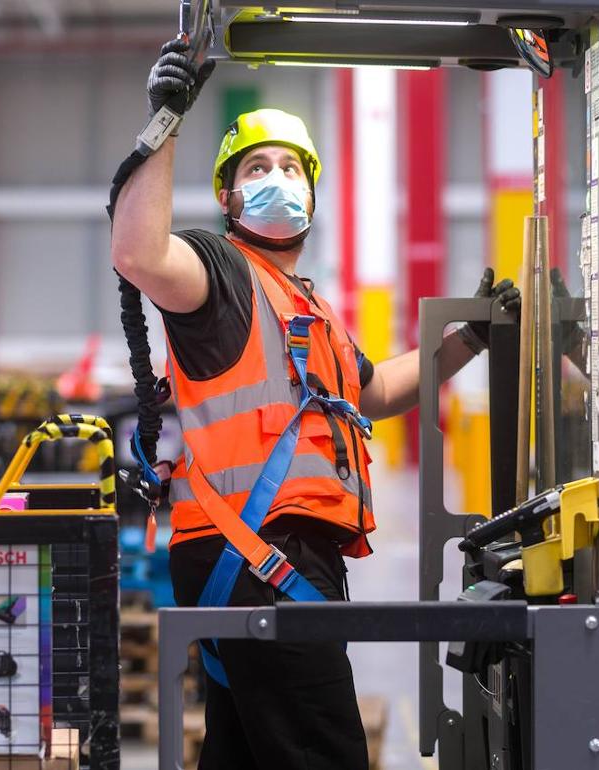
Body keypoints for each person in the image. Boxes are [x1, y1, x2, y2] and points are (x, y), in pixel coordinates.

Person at [109, 39, 521, 769]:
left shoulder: (307, 306)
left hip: (253, 557)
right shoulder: (219, 273)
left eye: (292, 167)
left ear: (314, 194)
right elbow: (140, 256)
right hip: (263, 553)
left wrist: (470, 339)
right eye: (256, 169)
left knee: (244, 751)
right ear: (228, 198)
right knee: (324, 751)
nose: (278, 179)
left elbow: (373, 391)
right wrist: (165, 120)